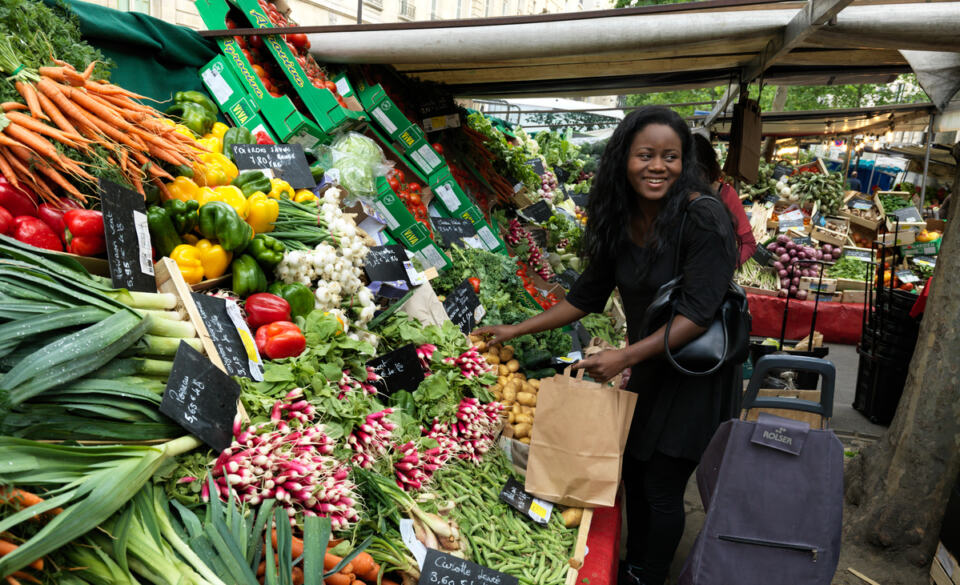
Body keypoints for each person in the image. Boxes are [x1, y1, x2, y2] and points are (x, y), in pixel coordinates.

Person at [475, 107, 739, 585]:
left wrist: (623, 356)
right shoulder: (622, 219)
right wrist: (517, 329)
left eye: (670, 157)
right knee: (636, 473)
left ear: (685, 164)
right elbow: (585, 296)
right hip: (651, 370)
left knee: (660, 486)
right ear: (623, 159)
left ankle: (647, 575)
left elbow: (697, 316)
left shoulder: (703, 217)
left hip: (694, 376)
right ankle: (635, 564)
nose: (657, 166)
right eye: (645, 155)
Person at [692, 132, 756, 266]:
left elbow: (748, 243)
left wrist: (728, 267)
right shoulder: (671, 195)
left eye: (697, 169)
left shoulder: (726, 194)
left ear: (708, 166)